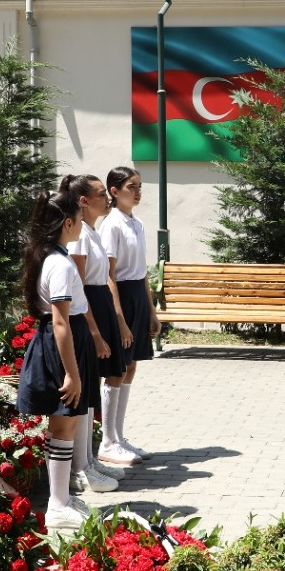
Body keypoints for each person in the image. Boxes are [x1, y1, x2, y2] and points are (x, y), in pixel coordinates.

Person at [15, 187, 90, 531]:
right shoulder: (58, 263)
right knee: (64, 422)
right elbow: (61, 322)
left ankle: (62, 498)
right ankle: (57, 504)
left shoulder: (54, 257)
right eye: (79, 218)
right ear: (68, 223)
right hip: (63, 347)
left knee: (66, 422)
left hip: (67, 343)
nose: (83, 224)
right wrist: (72, 374)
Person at [63, 174, 125, 495]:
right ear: (83, 201)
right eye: (102, 194)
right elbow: (79, 287)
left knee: (92, 390)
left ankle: (88, 459)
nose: (108, 199)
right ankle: (79, 468)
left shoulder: (91, 231)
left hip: (99, 304)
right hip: (89, 311)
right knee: (85, 389)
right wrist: (95, 332)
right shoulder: (79, 238)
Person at [96, 166, 161, 466]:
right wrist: (120, 320)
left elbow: (142, 272)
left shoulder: (137, 223)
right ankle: (107, 441)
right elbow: (109, 276)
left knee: (131, 366)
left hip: (137, 296)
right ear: (114, 191)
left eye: (139, 186)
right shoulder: (112, 224)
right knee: (117, 369)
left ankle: (119, 437)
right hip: (119, 297)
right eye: (131, 187)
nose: (137, 192)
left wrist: (151, 311)